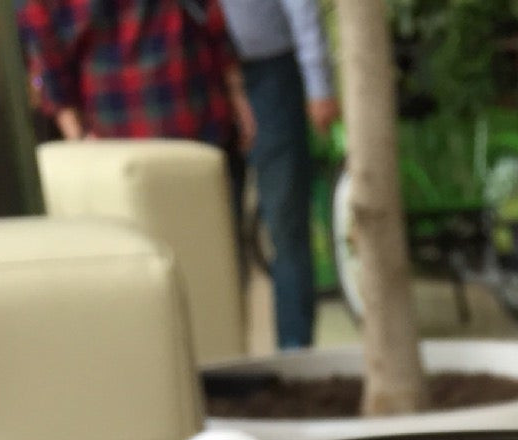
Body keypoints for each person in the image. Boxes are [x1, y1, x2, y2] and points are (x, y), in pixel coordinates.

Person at [218, 0, 338, 350]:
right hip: (201, 79)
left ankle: (295, 355)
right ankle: (224, 357)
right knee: (215, 232)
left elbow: (301, 7)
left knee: (286, 223)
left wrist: (319, 85)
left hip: (270, 74)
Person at [17, 0, 255, 155]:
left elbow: (46, 48)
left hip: (114, 133)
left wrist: (76, 136)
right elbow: (211, 19)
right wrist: (237, 93)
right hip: (189, 118)